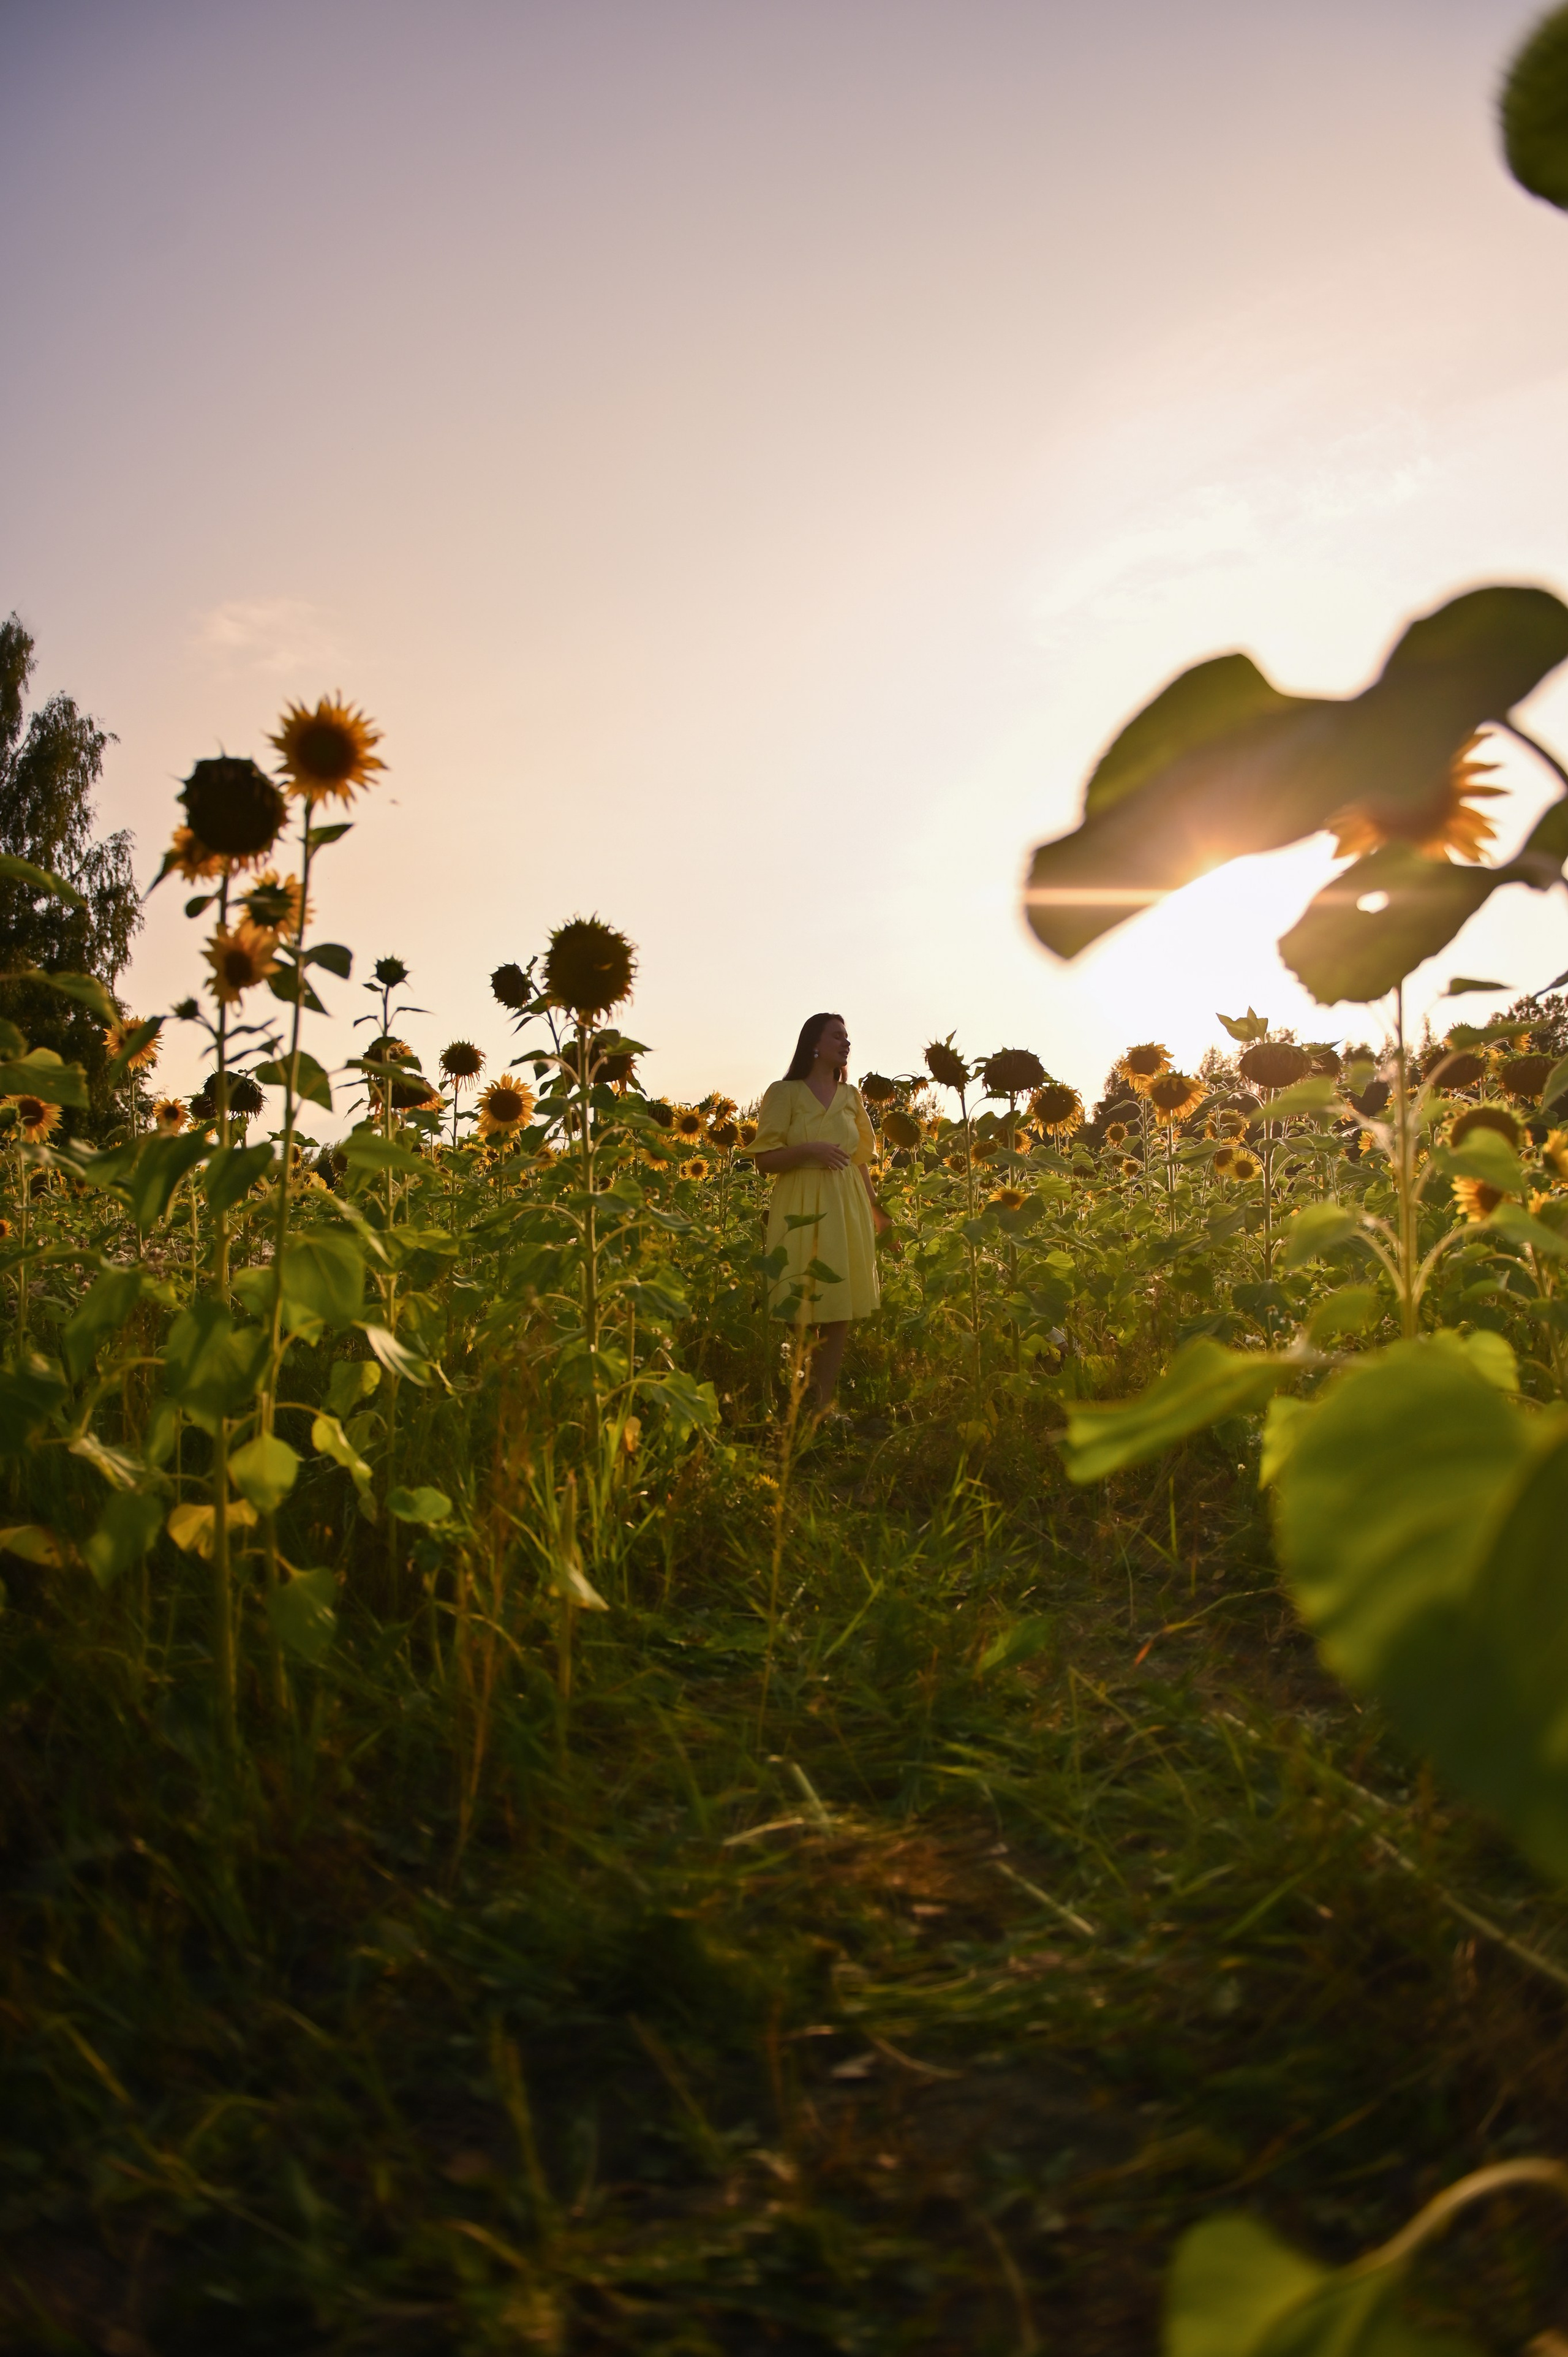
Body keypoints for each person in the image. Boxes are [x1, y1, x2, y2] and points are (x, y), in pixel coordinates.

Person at [751, 1012, 889, 1410]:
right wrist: (809, 1149)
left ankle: (822, 1406)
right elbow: (765, 1161)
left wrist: (877, 1211)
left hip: (846, 1203)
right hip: (800, 1200)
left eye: (848, 1037)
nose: (846, 1043)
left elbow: (860, 1159)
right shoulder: (784, 1093)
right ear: (814, 1043)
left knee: (839, 1304)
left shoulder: (851, 1097)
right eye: (837, 1036)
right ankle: (795, 1398)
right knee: (802, 1301)